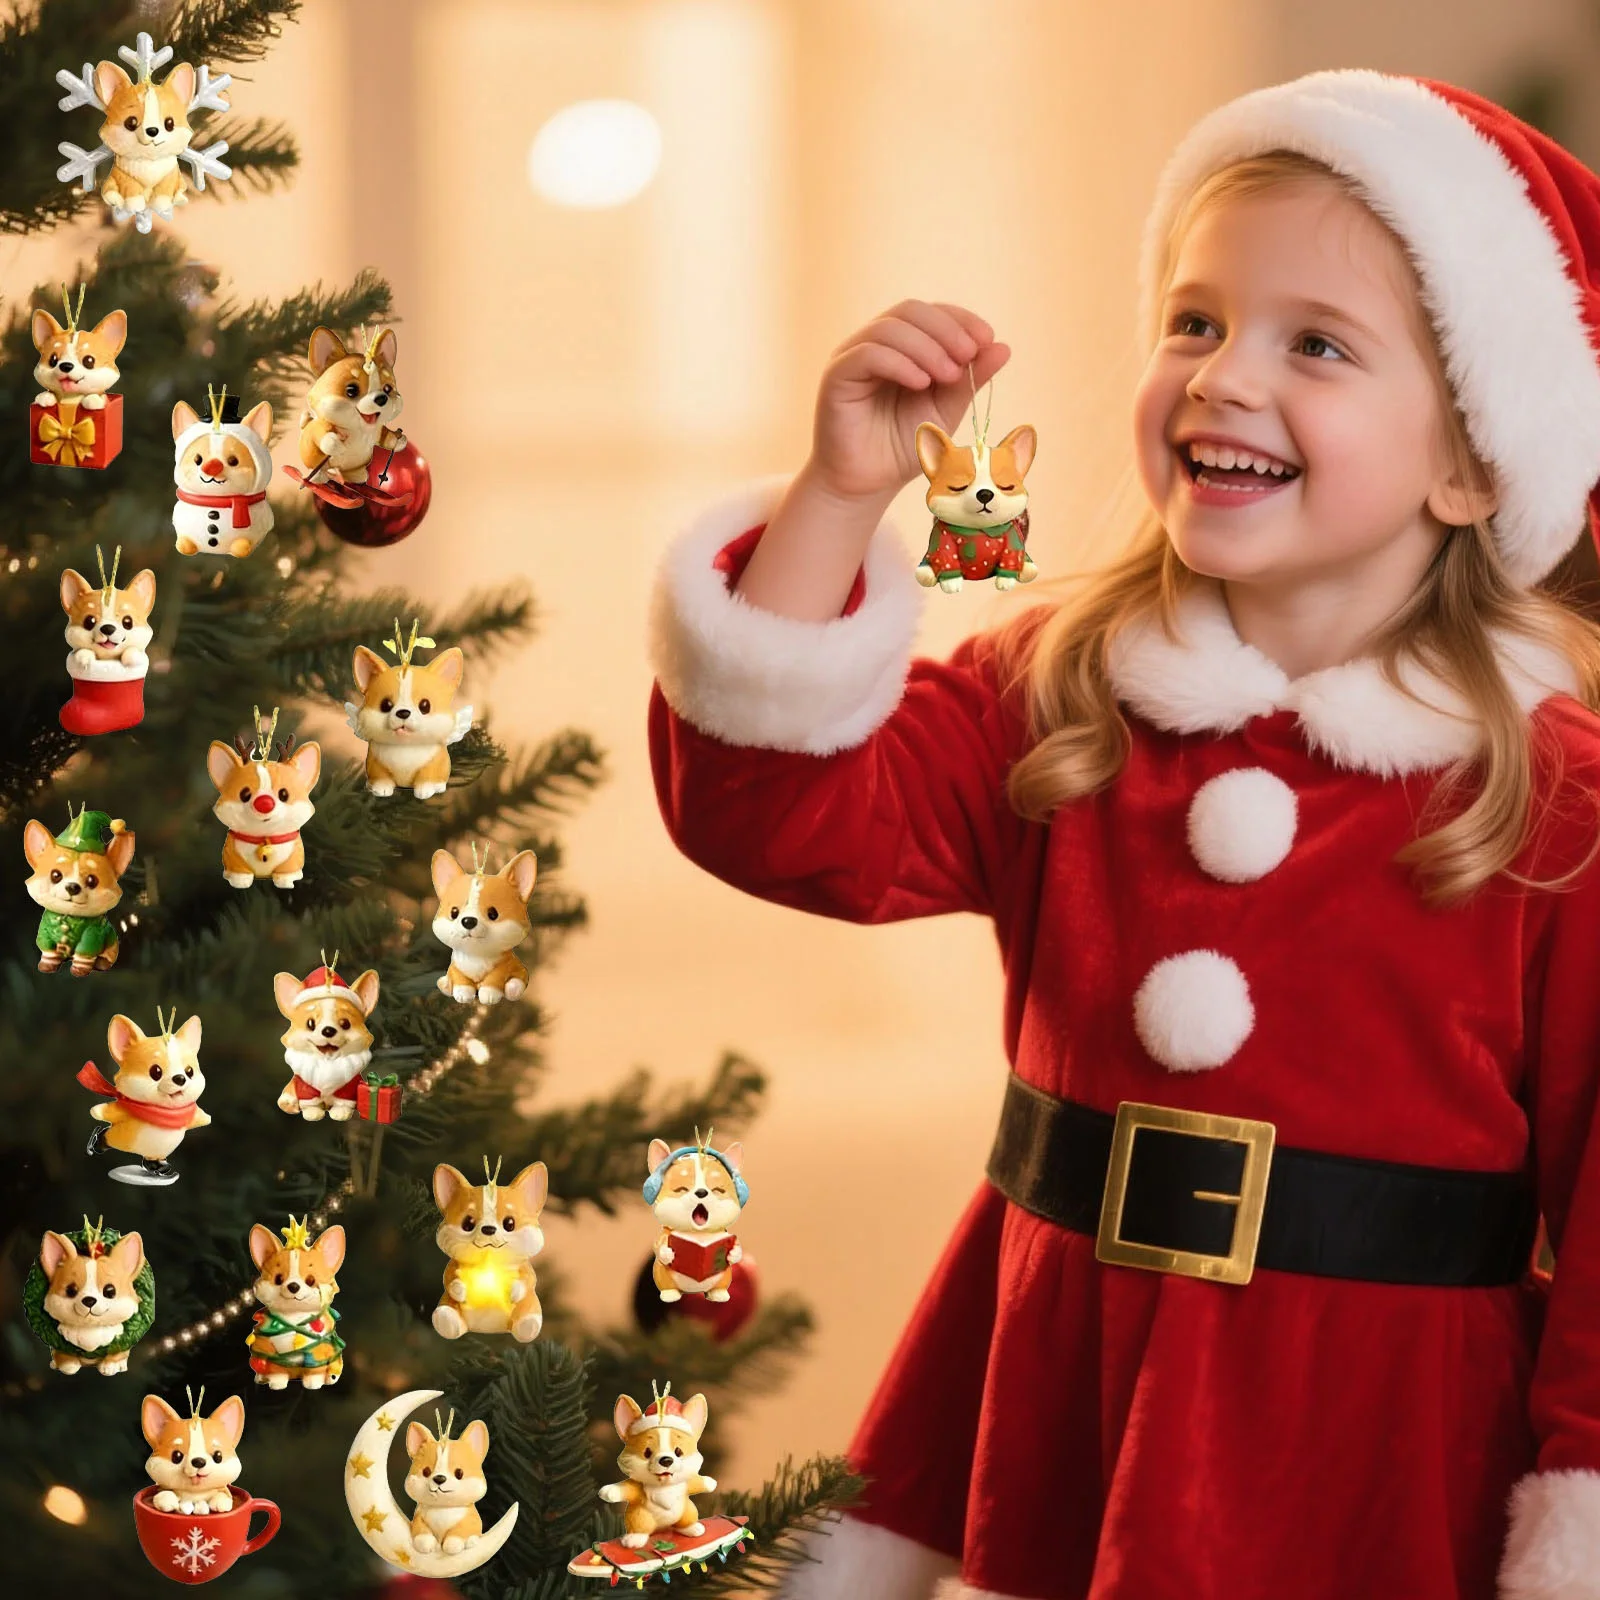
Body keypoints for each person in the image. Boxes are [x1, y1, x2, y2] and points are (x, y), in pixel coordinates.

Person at [646, 69, 1600, 1600]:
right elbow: (775, 817)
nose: (1223, 378)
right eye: (1194, 321)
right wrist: (838, 497)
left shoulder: (1554, 807)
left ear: (1474, 462)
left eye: (1316, 344)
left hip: (1378, 1455)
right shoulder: (1056, 695)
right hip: (1069, 1393)